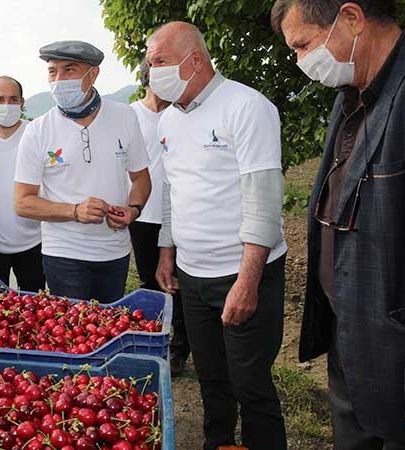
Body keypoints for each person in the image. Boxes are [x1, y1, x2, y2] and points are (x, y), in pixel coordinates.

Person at [273, 0, 405, 447]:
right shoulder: (353, 95)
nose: (301, 62)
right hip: (352, 338)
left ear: (353, 18)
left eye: (303, 45)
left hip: (404, 354)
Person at [150, 22, 288, 450]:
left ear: (195, 60)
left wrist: (247, 283)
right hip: (193, 276)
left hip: (243, 273)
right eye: (149, 64)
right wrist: (166, 251)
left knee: (250, 385)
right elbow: (173, 191)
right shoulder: (168, 121)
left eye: (160, 62)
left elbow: (263, 201)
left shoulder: (247, 107)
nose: (151, 73)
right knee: (212, 380)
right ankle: (219, 443)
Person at [14, 41, 151, 304]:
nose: (59, 80)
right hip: (63, 253)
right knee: (71, 335)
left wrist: (133, 209)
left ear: (93, 74)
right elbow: (22, 202)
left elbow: (141, 178)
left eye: (69, 70)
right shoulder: (38, 130)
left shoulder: (124, 116)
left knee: (107, 330)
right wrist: (75, 211)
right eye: (53, 72)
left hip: (114, 251)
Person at [129, 59, 190, 376]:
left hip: (178, 212)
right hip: (143, 215)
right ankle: (154, 343)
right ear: (146, 78)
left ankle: (180, 348)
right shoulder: (131, 116)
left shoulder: (181, 114)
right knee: (150, 280)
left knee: (178, 281)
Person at [0, 76, 44, 291]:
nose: (6, 105)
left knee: (35, 307)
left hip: (35, 240)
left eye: (13, 99)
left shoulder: (37, 134)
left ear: (23, 102)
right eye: (0, 99)